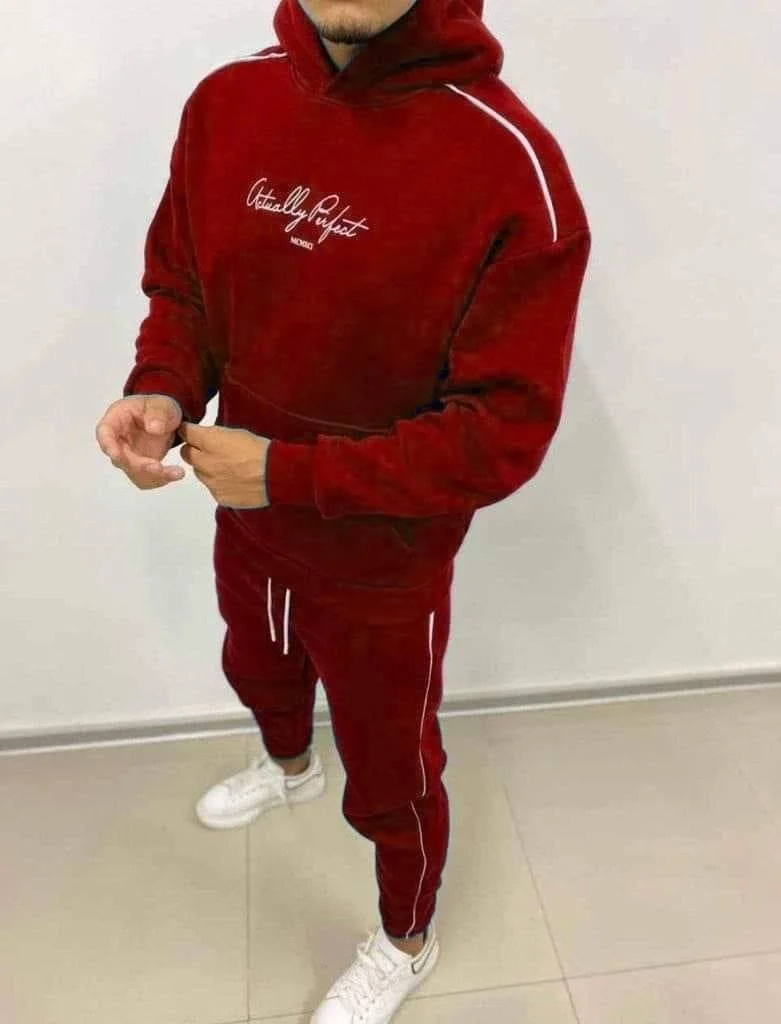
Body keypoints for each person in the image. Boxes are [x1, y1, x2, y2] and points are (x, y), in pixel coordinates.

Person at [95, 1, 592, 1020]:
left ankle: (405, 936)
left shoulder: (511, 166)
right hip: (246, 512)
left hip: (383, 557)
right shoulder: (228, 102)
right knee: (258, 664)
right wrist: (165, 388)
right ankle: (287, 766)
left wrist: (291, 474)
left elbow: (501, 432)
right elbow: (183, 285)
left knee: (392, 769)